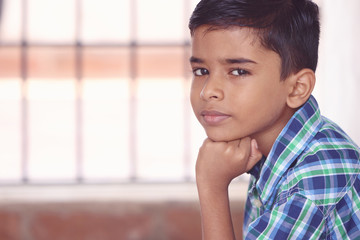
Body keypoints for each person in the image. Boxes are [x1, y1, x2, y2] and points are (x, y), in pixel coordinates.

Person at [188, 0, 360, 239]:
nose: (208, 91)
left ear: (297, 88)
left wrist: (211, 188)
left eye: (238, 71)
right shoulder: (274, 148)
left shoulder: (311, 180)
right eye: (201, 71)